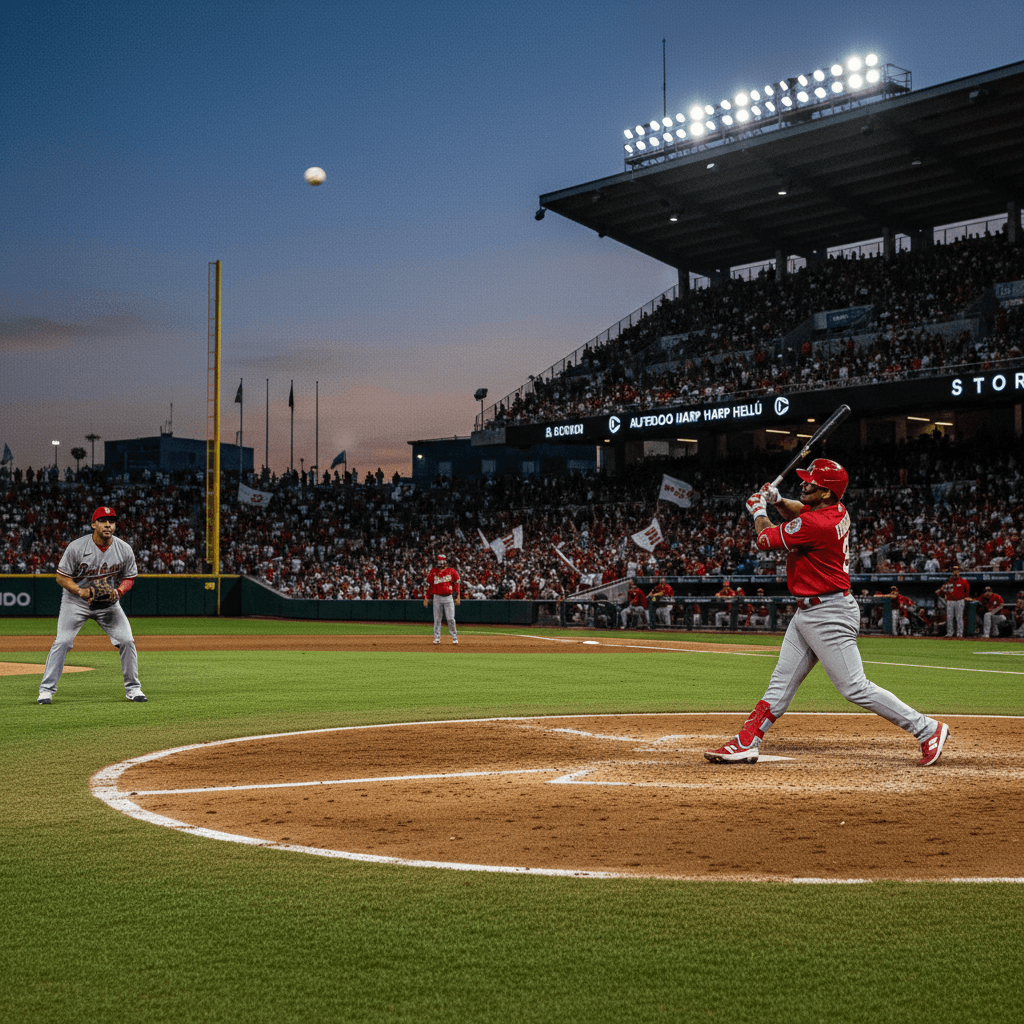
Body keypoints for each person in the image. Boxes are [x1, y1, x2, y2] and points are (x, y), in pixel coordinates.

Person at [704, 458, 949, 767]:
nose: (804, 485)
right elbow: (800, 511)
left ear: (825, 493)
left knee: (854, 686)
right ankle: (747, 740)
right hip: (809, 611)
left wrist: (758, 509)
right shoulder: (833, 511)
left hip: (828, 613)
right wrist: (778, 501)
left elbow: (764, 539)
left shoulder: (815, 524)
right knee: (780, 682)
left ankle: (927, 729)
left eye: (812, 484)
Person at [37, 506, 146, 704]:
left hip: (107, 603)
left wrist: (118, 592)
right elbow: (61, 578)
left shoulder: (124, 549)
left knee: (127, 640)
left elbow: (129, 577)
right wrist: (80, 591)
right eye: (103, 521)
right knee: (62, 642)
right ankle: (46, 690)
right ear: (93, 524)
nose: (108, 525)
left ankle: (133, 689)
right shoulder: (77, 547)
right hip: (76, 602)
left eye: (111, 521)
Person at [424, 553, 460, 644]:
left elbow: (457, 583)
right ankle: (437, 638)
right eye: (439, 560)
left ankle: (454, 637)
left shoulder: (451, 571)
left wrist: (458, 596)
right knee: (437, 619)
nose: (440, 562)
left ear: (445, 561)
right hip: (437, 597)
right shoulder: (433, 571)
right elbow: (429, 585)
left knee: (451, 618)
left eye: (442, 561)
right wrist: (426, 597)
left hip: (448, 597)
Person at [935, 564, 969, 637]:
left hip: (959, 601)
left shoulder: (963, 581)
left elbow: (967, 592)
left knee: (959, 617)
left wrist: (964, 599)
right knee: (949, 617)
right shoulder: (949, 581)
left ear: (959, 572)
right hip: (950, 601)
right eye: (954, 570)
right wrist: (940, 591)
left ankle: (959, 634)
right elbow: (942, 590)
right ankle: (950, 633)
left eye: (956, 571)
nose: (955, 572)